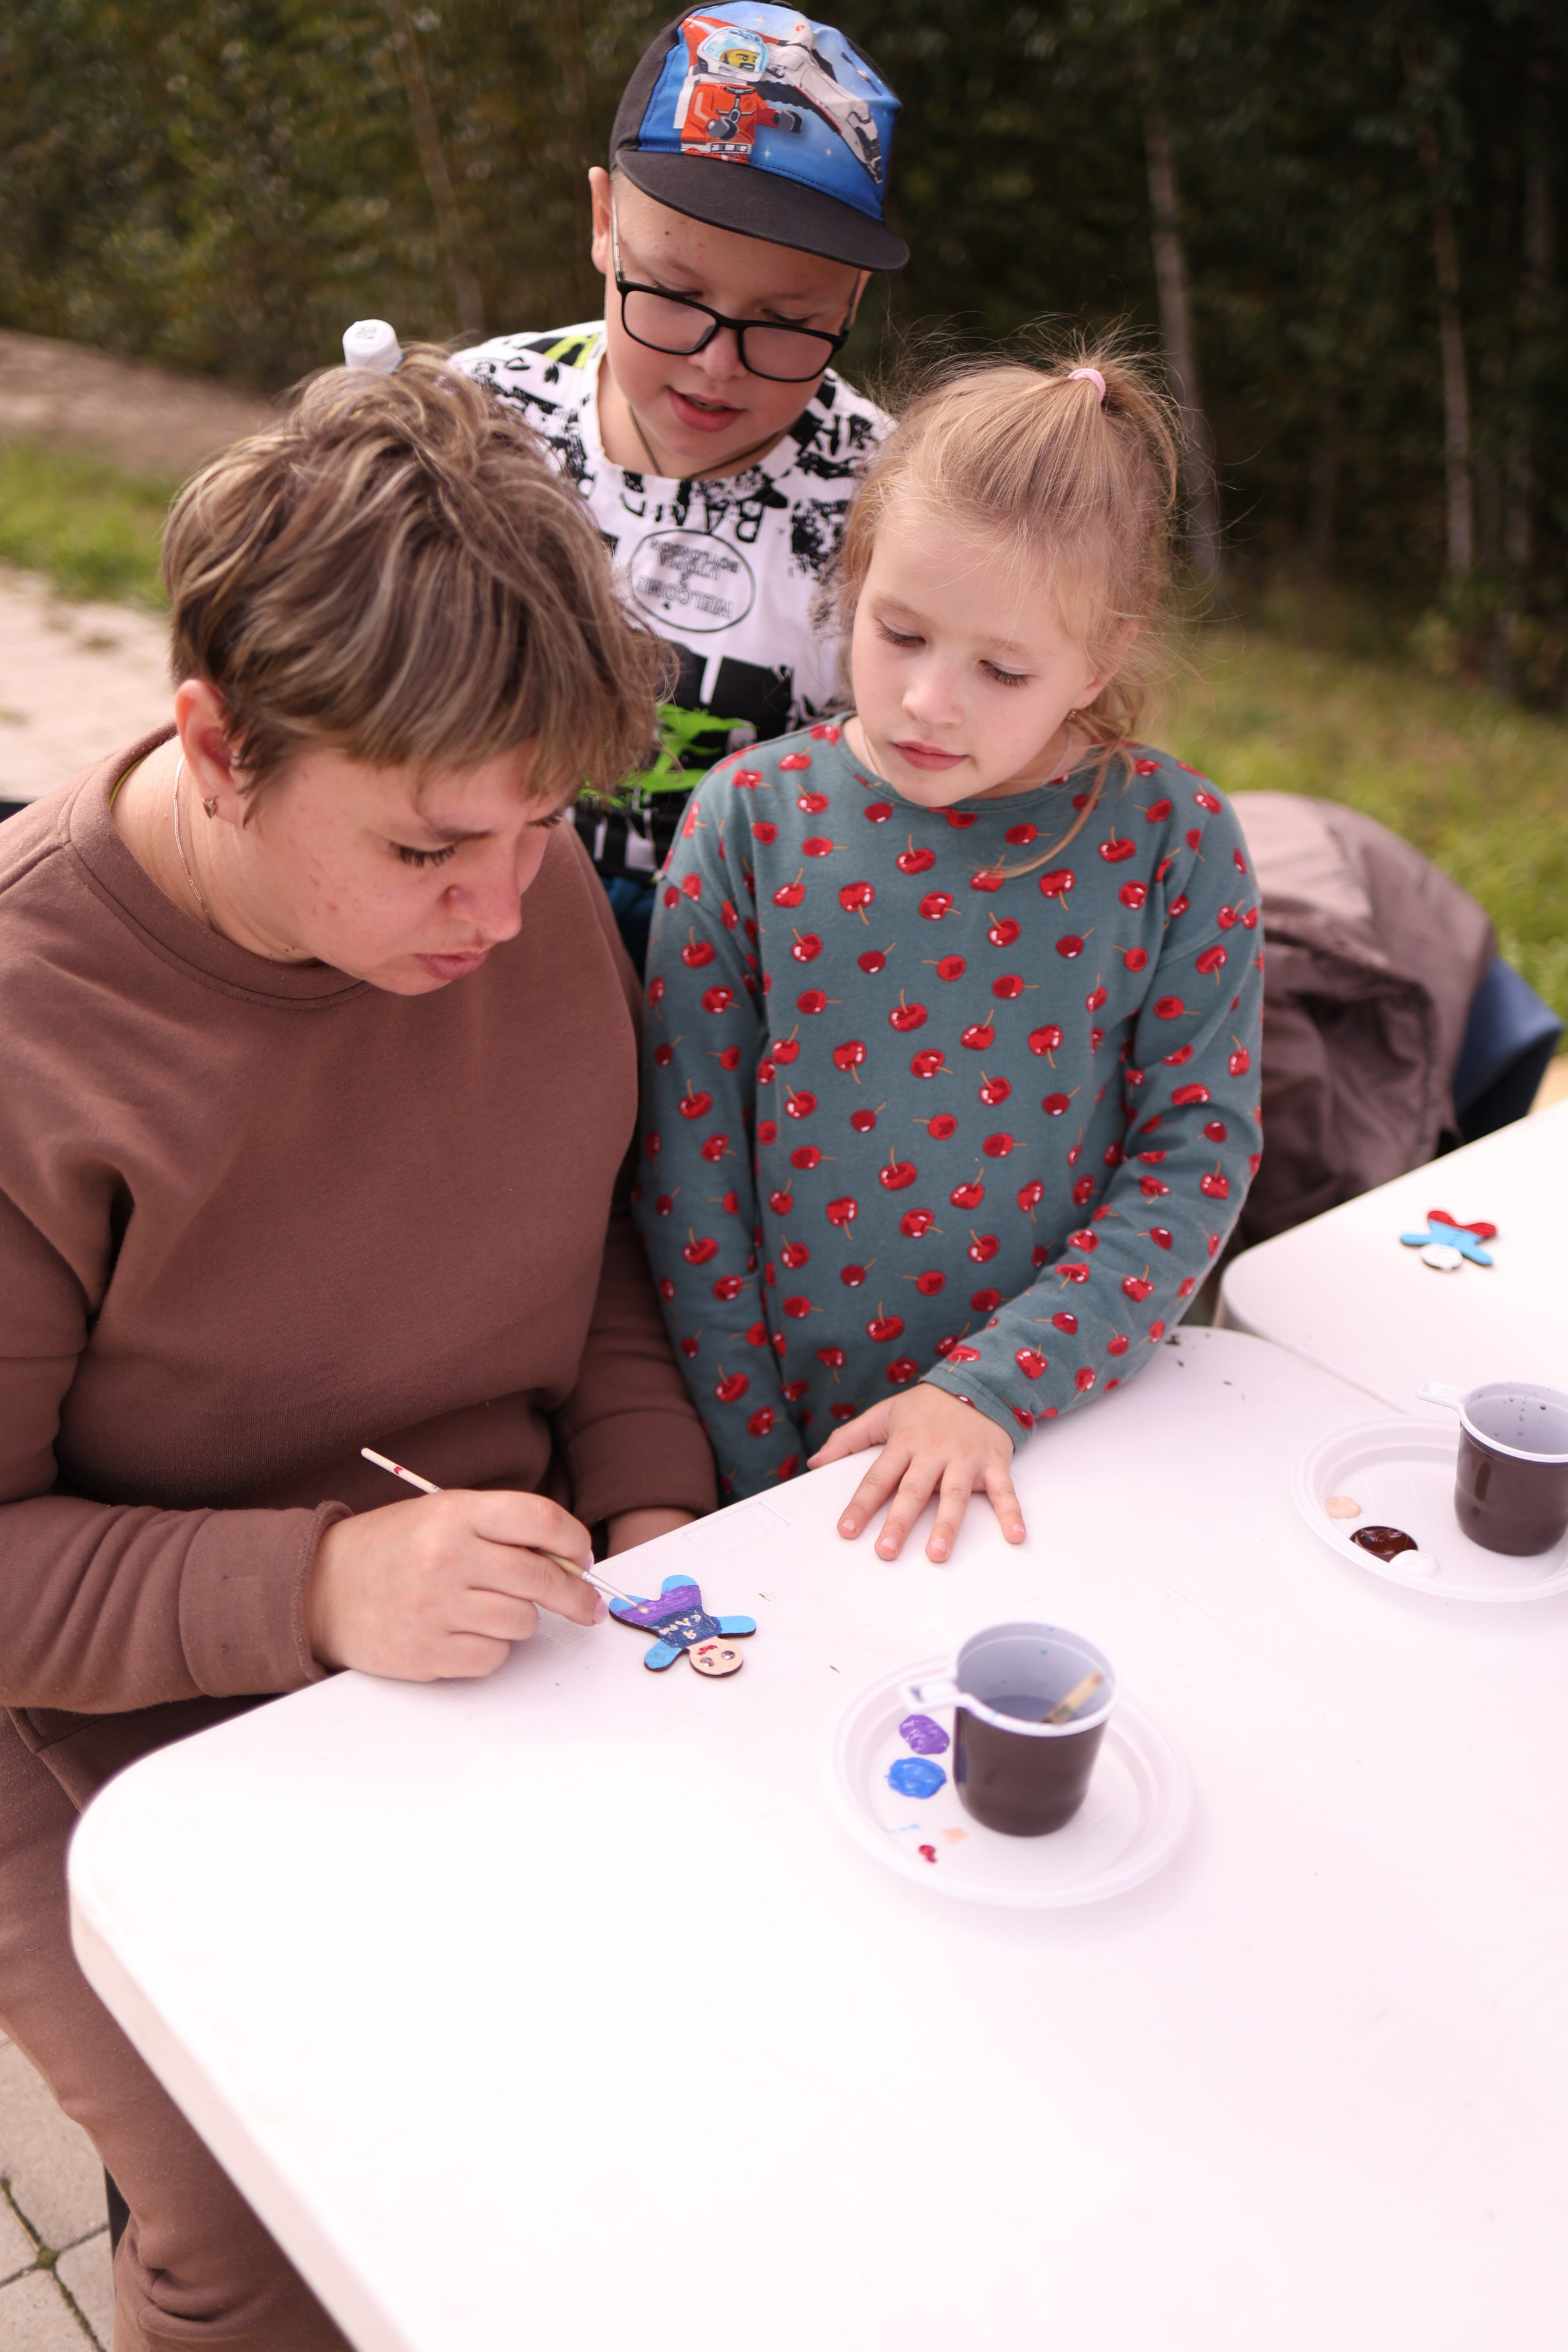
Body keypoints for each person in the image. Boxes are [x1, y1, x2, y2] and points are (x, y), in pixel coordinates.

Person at [0, 354, 715, 2351]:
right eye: (425, 852)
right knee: (277, 2229)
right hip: (97, 1720)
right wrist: (315, 1588)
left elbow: (591, 1239)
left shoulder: (517, 888)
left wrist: (656, 1504)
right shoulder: (31, 1028)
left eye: (544, 826)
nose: (502, 907)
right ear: (217, 745)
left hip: (497, 1626)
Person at [633, 346, 1265, 1556]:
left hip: (1055, 1445)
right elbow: (687, 1177)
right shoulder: (749, 821)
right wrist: (765, 1474)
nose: (930, 700)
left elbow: (1194, 1155)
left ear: (1102, 657)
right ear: (854, 578)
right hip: (784, 1473)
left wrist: (992, 1388)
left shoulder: (1174, 841)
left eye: (1001, 668)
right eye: (900, 632)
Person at [454, 3, 906, 968]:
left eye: (787, 322)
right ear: (604, 225)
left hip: (750, 956)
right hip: (480, 914)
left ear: (853, 299)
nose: (715, 364)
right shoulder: (476, 420)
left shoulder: (895, 502)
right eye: (674, 294)